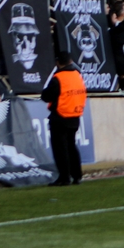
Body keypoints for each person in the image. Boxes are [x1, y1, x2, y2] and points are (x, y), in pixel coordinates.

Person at [41, 52, 87, 186]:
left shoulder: (58, 78)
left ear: (58, 63)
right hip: (75, 115)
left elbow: (46, 96)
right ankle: (77, 175)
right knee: (71, 146)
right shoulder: (77, 76)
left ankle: (64, 177)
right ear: (70, 61)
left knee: (60, 148)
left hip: (60, 116)